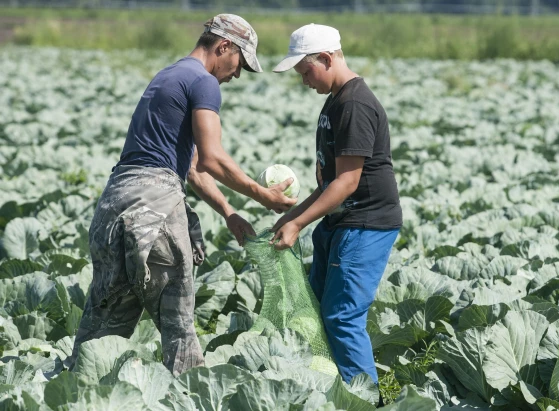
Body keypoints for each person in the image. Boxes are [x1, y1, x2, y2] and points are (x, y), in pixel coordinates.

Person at [68, 14, 296, 376]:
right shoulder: (204, 82)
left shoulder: (168, 76)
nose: (237, 74)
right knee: (179, 332)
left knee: (101, 328)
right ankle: (192, 394)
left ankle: (70, 391)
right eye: (240, 63)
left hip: (112, 207)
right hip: (154, 208)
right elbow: (212, 157)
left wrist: (228, 211)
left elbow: (190, 167)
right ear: (224, 47)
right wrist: (262, 196)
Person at [270, 24, 403, 389]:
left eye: (305, 71)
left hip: (366, 224)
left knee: (342, 317)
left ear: (327, 59)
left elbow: (347, 183)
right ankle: (334, 389)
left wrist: (297, 226)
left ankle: (366, 397)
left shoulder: (355, 104)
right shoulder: (336, 101)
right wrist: (292, 216)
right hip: (341, 222)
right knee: (320, 310)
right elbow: (328, 185)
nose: (304, 82)